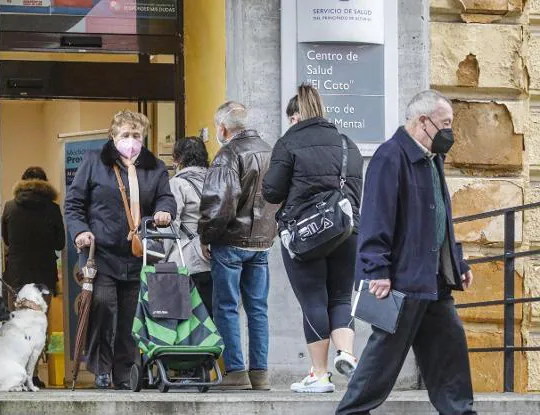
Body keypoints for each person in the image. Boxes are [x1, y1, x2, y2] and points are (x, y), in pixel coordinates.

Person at [336, 90, 476, 414]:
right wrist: (376, 271)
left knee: (450, 355)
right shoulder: (391, 156)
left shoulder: (432, 160)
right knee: (381, 363)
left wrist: (457, 261)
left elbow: (438, 219)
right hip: (401, 282)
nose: (449, 132)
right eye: (445, 123)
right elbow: (375, 219)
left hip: (434, 282)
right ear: (422, 122)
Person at [263, 84, 363, 393]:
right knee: (342, 298)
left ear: (294, 117)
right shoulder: (347, 144)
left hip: (305, 234)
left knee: (314, 301)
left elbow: (272, 192)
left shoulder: (288, 142)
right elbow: (356, 191)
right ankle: (346, 353)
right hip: (346, 231)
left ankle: (319, 375)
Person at [65, 110, 176, 390]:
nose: (131, 140)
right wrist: (80, 231)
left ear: (144, 137)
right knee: (102, 305)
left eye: (136, 135)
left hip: (138, 254)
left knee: (131, 314)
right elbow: (74, 203)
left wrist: (164, 211)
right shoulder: (94, 163)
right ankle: (100, 367)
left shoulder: (156, 167)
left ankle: (125, 371)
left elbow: (166, 197)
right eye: (125, 135)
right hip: (99, 252)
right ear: (113, 137)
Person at [198, 101, 277, 391]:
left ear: (222, 128)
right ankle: (260, 373)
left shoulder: (227, 154)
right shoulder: (271, 151)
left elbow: (220, 203)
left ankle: (235, 371)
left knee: (227, 307)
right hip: (261, 243)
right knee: (258, 309)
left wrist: (206, 235)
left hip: (230, 241)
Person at [1, 166, 65, 388]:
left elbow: (6, 240)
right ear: (46, 183)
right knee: (38, 327)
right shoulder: (53, 209)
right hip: (43, 277)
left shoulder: (10, 207)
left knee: (17, 326)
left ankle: (14, 374)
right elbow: (60, 243)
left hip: (16, 276)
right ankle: (34, 374)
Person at [166, 136, 213, 315]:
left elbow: (171, 225)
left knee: (191, 323)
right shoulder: (218, 180)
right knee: (212, 319)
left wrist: (159, 257)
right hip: (216, 259)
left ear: (178, 159)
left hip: (187, 261)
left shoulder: (177, 184)